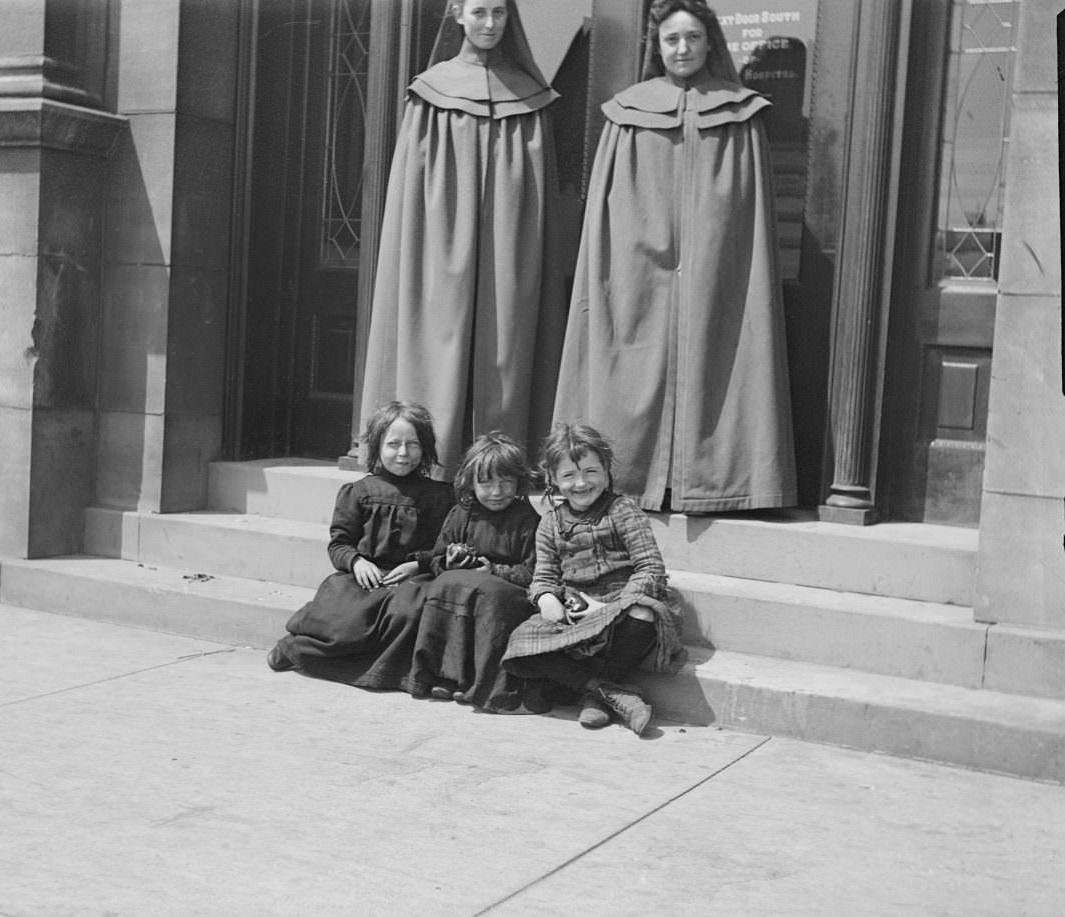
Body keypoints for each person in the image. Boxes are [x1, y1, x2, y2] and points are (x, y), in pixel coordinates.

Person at [553, 0, 797, 513]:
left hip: (715, 274)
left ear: (710, 42)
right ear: (656, 45)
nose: (681, 49)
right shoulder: (627, 114)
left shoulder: (741, 115)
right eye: (671, 39)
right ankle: (635, 476)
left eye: (691, 38)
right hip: (640, 269)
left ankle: (716, 482)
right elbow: (606, 213)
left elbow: (746, 220)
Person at [358, 0, 567, 478]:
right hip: (439, 238)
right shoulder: (430, 94)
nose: (490, 23)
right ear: (457, 13)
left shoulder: (531, 99)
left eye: (498, 12)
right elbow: (413, 194)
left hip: (509, 244)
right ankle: (431, 457)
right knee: (439, 321)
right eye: (479, 12)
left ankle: (500, 466)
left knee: (507, 333)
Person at [502, 423, 685, 735]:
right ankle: (609, 693)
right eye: (569, 476)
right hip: (577, 612)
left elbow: (650, 568)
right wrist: (547, 599)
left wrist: (606, 608)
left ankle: (595, 698)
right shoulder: (550, 523)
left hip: (623, 606)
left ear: (606, 470)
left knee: (643, 613)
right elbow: (544, 576)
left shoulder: (622, 510)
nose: (581, 483)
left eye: (590, 471)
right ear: (553, 480)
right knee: (520, 645)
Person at [267, 402, 454, 694]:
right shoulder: (359, 492)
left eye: (412, 445)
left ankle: (393, 674)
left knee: (406, 615)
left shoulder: (441, 496)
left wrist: (419, 564)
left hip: (410, 579)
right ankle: (297, 649)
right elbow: (339, 543)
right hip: (364, 577)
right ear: (377, 446)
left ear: (425, 448)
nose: (403, 454)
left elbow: (444, 547)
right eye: (393, 444)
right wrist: (356, 562)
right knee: (345, 623)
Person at [410, 431, 541, 712]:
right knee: (446, 586)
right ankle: (445, 675)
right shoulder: (462, 513)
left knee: (486, 593)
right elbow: (435, 558)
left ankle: (480, 682)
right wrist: (450, 560)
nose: (496, 492)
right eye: (486, 483)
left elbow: (534, 572)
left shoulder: (527, 520)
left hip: (505, 593)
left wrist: (495, 570)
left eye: (506, 483)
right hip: (461, 589)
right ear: (471, 483)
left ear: (519, 483)